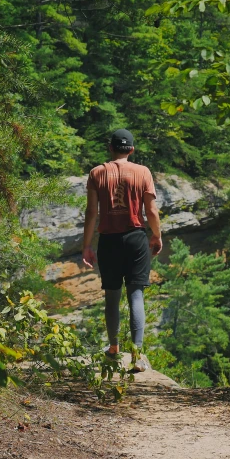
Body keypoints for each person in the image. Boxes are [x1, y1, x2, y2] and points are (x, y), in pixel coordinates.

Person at [82, 128, 162, 370]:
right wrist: (157, 236)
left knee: (112, 296)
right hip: (136, 238)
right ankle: (137, 355)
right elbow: (151, 211)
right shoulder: (143, 172)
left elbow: (91, 213)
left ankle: (114, 348)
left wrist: (87, 245)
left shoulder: (97, 173)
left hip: (109, 241)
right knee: (136, 294)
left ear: (110, 148)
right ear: (132, 150)